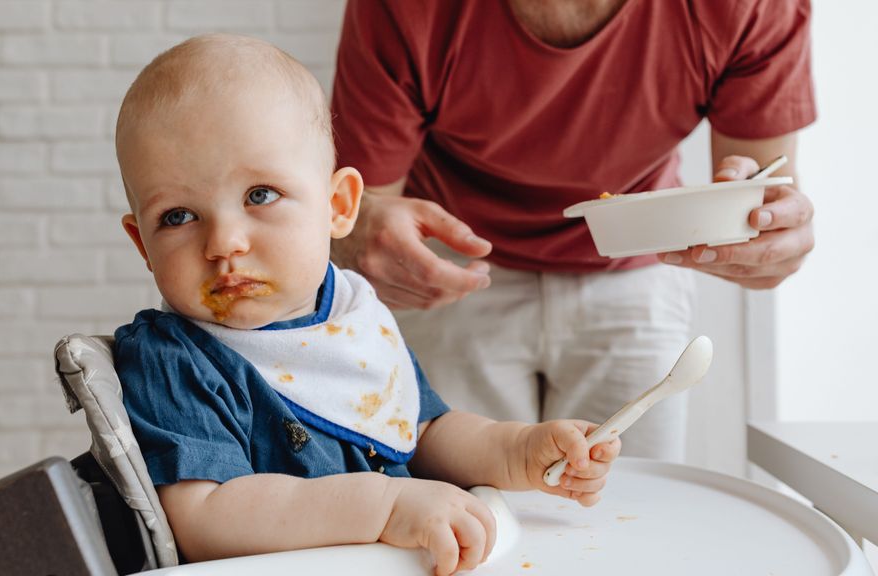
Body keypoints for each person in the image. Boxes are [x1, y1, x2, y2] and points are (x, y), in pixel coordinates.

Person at [111, 34, 621, 575]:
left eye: (259, 195)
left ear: (338, 206)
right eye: (177, 217)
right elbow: (206, 520)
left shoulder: (351, 319)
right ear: (143, 244)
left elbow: (422, 433)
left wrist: (518, 450)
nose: (224, 242)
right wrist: (385, 506)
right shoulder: (175, 358)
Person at [330, 0, 816, 461]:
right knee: (457, 507)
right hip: (453, 262)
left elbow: (760, 190)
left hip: (635, 264)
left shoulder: (749, 8)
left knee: (633, 503)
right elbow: (363, 203)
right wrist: (353, 231)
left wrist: (767, 234)